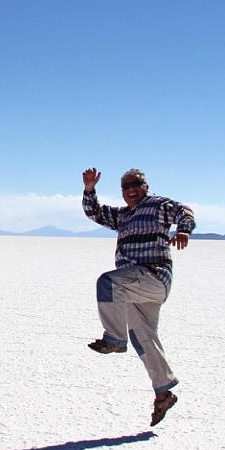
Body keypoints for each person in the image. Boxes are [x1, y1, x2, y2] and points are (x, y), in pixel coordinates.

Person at [81, 167, 196, 426]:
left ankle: (114, 339)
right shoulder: (124, 215)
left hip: (152, 276)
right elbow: (95, 212)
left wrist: (184, 230)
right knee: (144, 339)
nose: (131, 190)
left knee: (107, 283)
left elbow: (184, 211)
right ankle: (164, 392)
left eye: (136, 184)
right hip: (133, 287)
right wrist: (90, 189)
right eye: (126, 187)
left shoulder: (157, 205)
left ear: (145, 186)